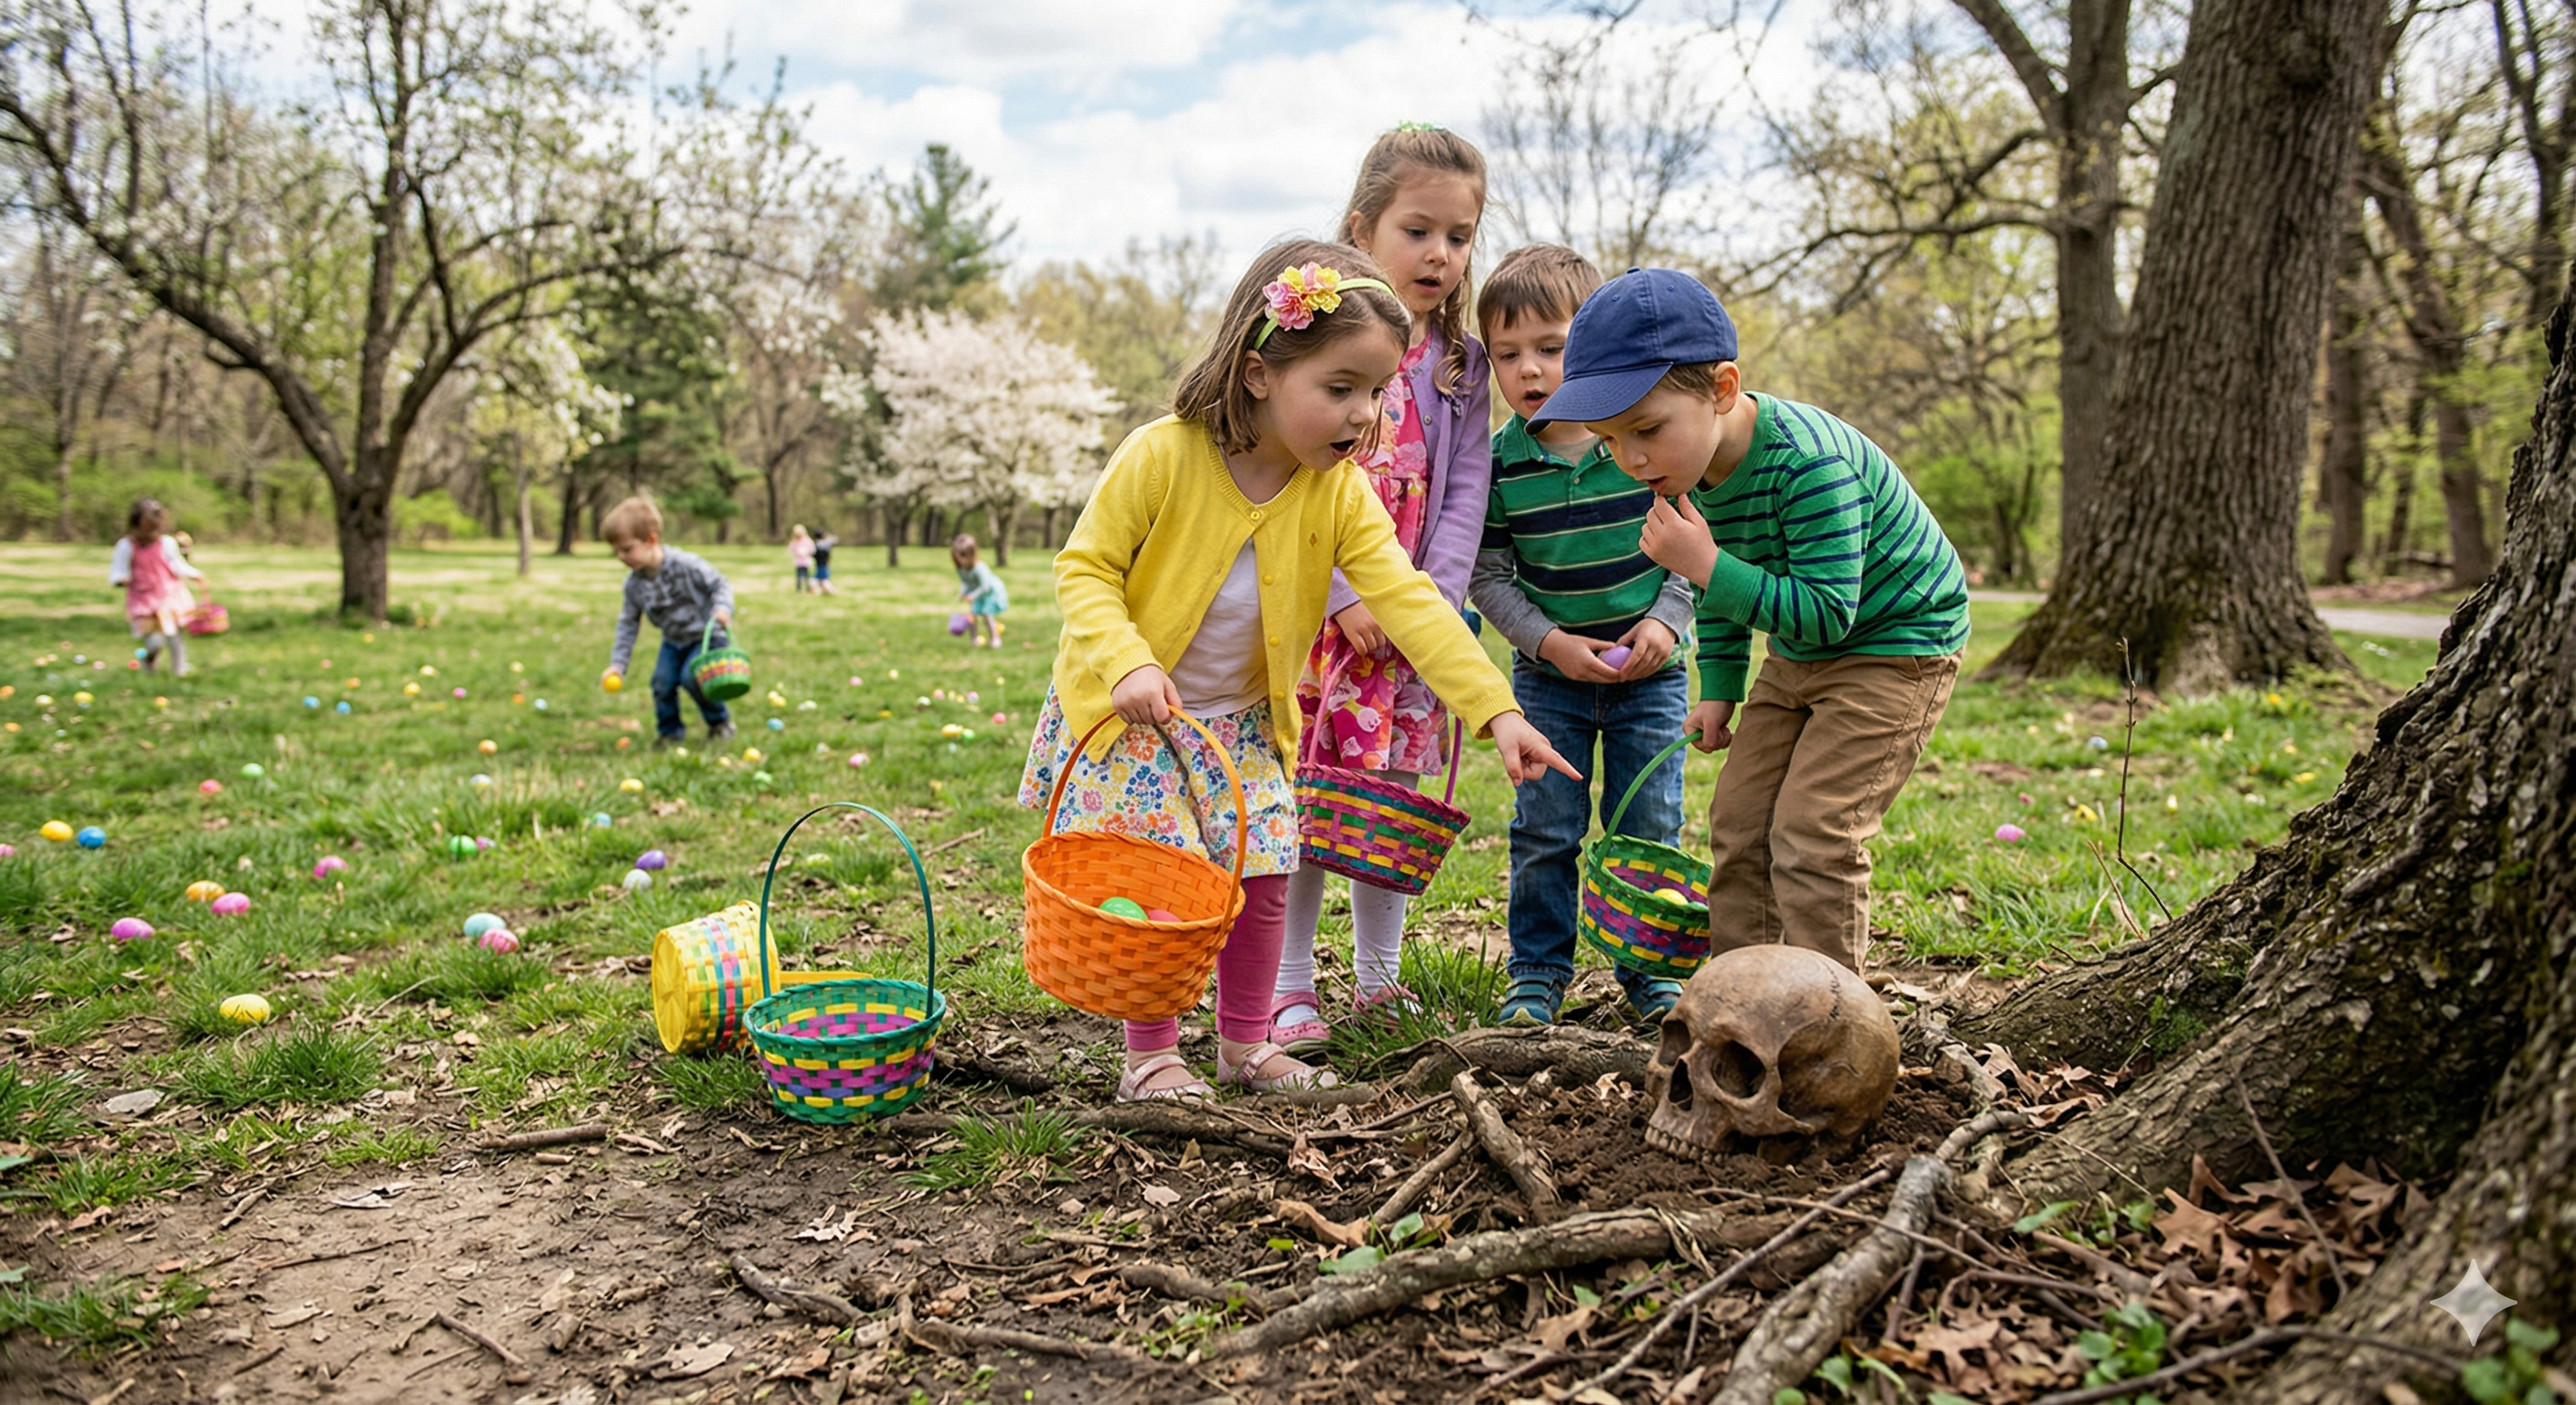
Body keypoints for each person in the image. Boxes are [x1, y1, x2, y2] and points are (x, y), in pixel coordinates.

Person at [1023, 238, 1582, 1103]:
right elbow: (1084, 568)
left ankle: (1244, 1045)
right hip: (1135, 712)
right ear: (1258, 374)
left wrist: (1497, 711)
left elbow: (1409, 599)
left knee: (1268, 864)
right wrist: (1128, 661)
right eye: (1340, 390)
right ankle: (1152, 1056)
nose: (1365, 416)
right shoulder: (1162, 454)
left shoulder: (1337, 490)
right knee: (1162, 877)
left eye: (1376, 393)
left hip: (1242, 715)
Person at [1535, 268, 1970, 972]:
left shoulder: (1808, 464)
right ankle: (1746, 989)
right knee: (1738, 822)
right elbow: (1731, 593)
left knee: (1815, 833)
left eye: (1646, 429)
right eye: (1610, 439)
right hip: (1801, 650)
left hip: (1896, 646)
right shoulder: (1687, 471)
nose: (1631, 458)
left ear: (1723, 390)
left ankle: (1825, 1009)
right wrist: (1720, 688)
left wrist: (1704, 565)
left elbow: (1827, 612)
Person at [1272, 125, 1496, 1054]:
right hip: (1317, 625)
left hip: (1407, 632)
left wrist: (1425, 610)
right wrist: (1338, 598)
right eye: (1417, 230)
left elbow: (1465, 494)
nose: (1439, 254)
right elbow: (1287, 479)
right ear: (1362, 229)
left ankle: (1375, 980)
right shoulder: (1320, 343)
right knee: (1299, 800)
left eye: (1458, 235)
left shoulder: (1461, 368)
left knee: (1386, 806)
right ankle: (1284, 983)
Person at [1468, 246, 1698, 1028]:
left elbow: (1693, 546)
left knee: (1648, 826)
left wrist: (1667, 619)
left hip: (1650, 677)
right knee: (1546, 829)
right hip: (1549, 682)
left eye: (1552, 347)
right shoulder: (1498, 464)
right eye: (1508, 354)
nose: (1530, 370)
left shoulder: (1636, 446)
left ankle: (1649, 973)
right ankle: (1536, 974)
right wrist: (1548, 643)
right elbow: (1490, 575)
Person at [597, 496, 740, 747]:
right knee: (661, 683)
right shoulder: (634, 585)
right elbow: (628, 624)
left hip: (706, 638)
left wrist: (722, 608)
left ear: (651, 539)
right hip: (674, 641)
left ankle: (720, 722)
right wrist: (618, 664)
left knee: (692, 678)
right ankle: (670, 733)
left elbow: (720, 583)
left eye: (627, 549)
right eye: (616, 551)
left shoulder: (686, 565)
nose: (620, 556)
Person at [110, 499, 206, 676]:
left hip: (169, 595)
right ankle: (149, 661)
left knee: (175, 635)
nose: (152, 534)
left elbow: (177, 563)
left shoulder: (167, 543)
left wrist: (193, 574)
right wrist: (120, 579)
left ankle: (180, 668)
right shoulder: (127, 546)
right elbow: (119, 569)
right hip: (144, 598)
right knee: (154, 641)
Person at [953, 535, 1009, 648]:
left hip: (990, 593)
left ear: (971, 555)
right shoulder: (961, 569)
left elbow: (986, 587)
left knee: (986, 615)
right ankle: (974, 639)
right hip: (977, 594)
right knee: (972, 615)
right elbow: (966, 582)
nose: (960, 560)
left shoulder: (979, 568)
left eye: (962, 557)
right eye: (957, 557)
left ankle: (995, 640)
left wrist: (973, 596)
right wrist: (962, 593)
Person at [789, 525, 816, 594]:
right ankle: (798, 589)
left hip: (806, 561)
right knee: (799, 576)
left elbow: (812, 550)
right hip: (798, 562)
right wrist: (796, 552)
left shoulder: (808, 541)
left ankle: (808, 589)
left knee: (807, 576)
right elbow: (791, 550)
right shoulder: (794, 542)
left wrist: (806, 552)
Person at [811, 531, 839, 595]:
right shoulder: (826, 543)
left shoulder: (816, 544)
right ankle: (829, 591)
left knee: (821, 579)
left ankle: (830, 591)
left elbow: (814, 554)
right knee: (824, 579)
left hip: (819, 564)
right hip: (824, 563)